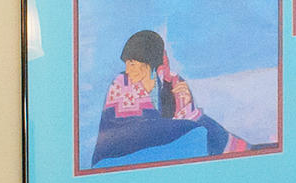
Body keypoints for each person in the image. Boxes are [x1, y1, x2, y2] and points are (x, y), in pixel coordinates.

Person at [90, 29, 234, 165]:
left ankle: (238, 151)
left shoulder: (172, 81)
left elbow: (188, 117)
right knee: (195, 130)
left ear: (149, 62)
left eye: (132, 64)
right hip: (118, 155)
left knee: (203, 128)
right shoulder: (121, 82)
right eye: (127, 64)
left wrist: (185, 102)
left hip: (162, 148)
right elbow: (132, 128)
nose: (128, 70)